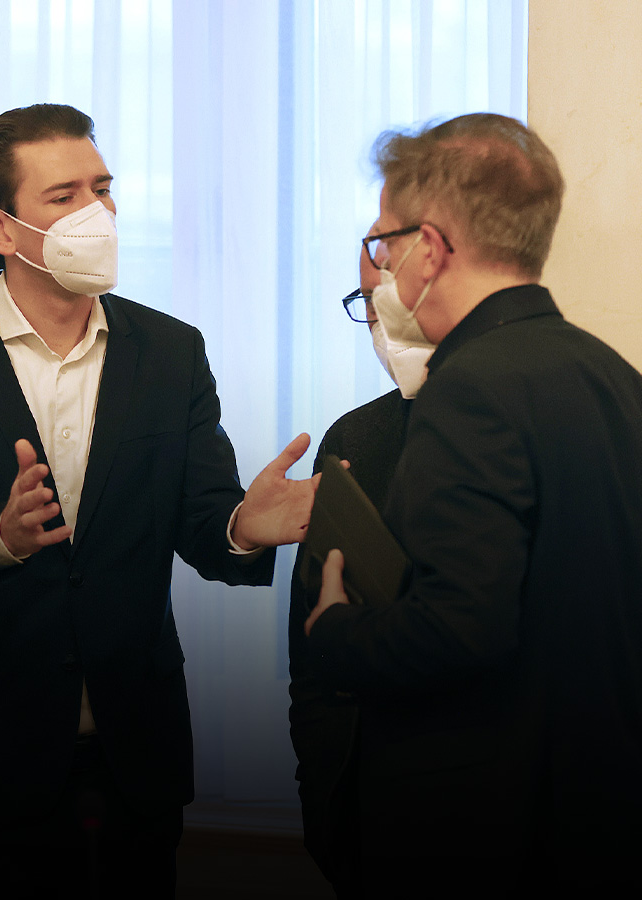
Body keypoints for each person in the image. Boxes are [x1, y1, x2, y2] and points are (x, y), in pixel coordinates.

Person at [0, 103, 317, 898]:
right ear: (0, 229)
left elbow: (203, 519)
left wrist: (245, 527)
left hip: (132, 758)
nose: (96, 212)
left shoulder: (171, 351)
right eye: (64, 196)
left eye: (102, 189)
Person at [304, 113, 642, 897]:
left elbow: (461, 629)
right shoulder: (614, 378)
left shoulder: (468, 388)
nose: (380, 268)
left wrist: (337, 631)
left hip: (487, 828)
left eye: (384, 244)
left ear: (430, 247)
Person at [287, 223, 415, 899]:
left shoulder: (517, 425)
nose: (382, 322)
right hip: (361, 809)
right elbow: (309, 650)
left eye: (393, 294)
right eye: (367, 301)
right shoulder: (355, 438)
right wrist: (321, 784)